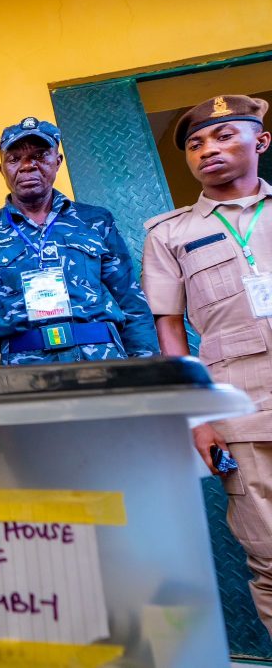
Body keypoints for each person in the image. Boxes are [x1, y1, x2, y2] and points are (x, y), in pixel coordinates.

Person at [142, 94, 272, 636]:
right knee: (269, 561)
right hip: (237, 412)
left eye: (223, 136)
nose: (207, 150)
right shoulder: (169, 234)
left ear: (260, 141)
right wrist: (198, 419)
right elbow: (169, 328)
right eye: (195, 144)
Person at [0, 116, 159, 366]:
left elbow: (131, 301)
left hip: (103, 361)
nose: (27, 166)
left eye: (40, 156)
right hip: (24, 371)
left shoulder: (96, 221)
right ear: (2, 169)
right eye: (14, 159)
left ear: (58, 162)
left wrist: (147, 369)